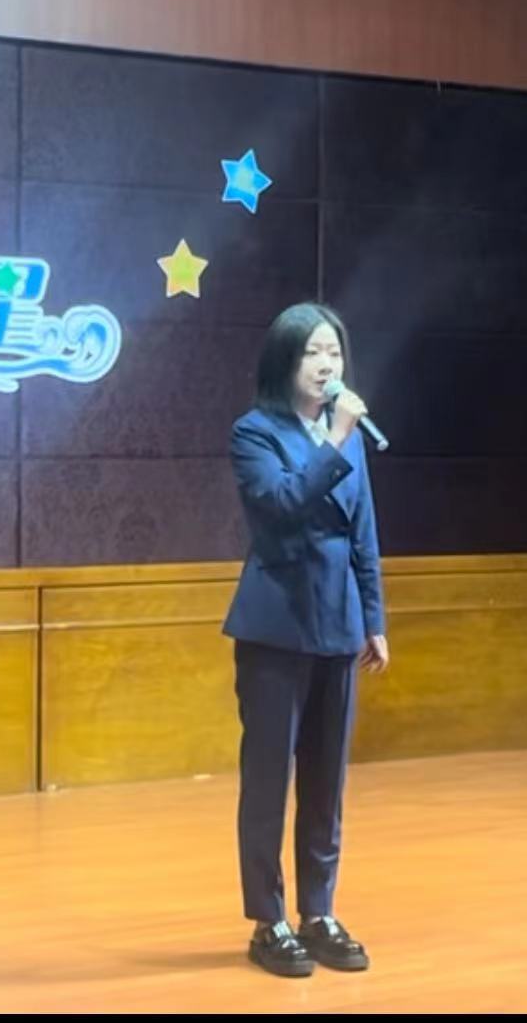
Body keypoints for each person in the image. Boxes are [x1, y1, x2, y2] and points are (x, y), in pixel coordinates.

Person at [224, 301, 390, 979]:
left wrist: (374, 619)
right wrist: (336, 436)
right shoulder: (254, 433)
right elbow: (281, 506)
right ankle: (269, 919)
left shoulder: (346, 438)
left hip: (338, 625)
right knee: (269, 779)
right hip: (276, 627)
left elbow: (363, 533)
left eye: (335, 352)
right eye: (313, 352)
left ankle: (319, 911)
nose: (327, 364)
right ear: (285, 361)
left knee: (327, 780)